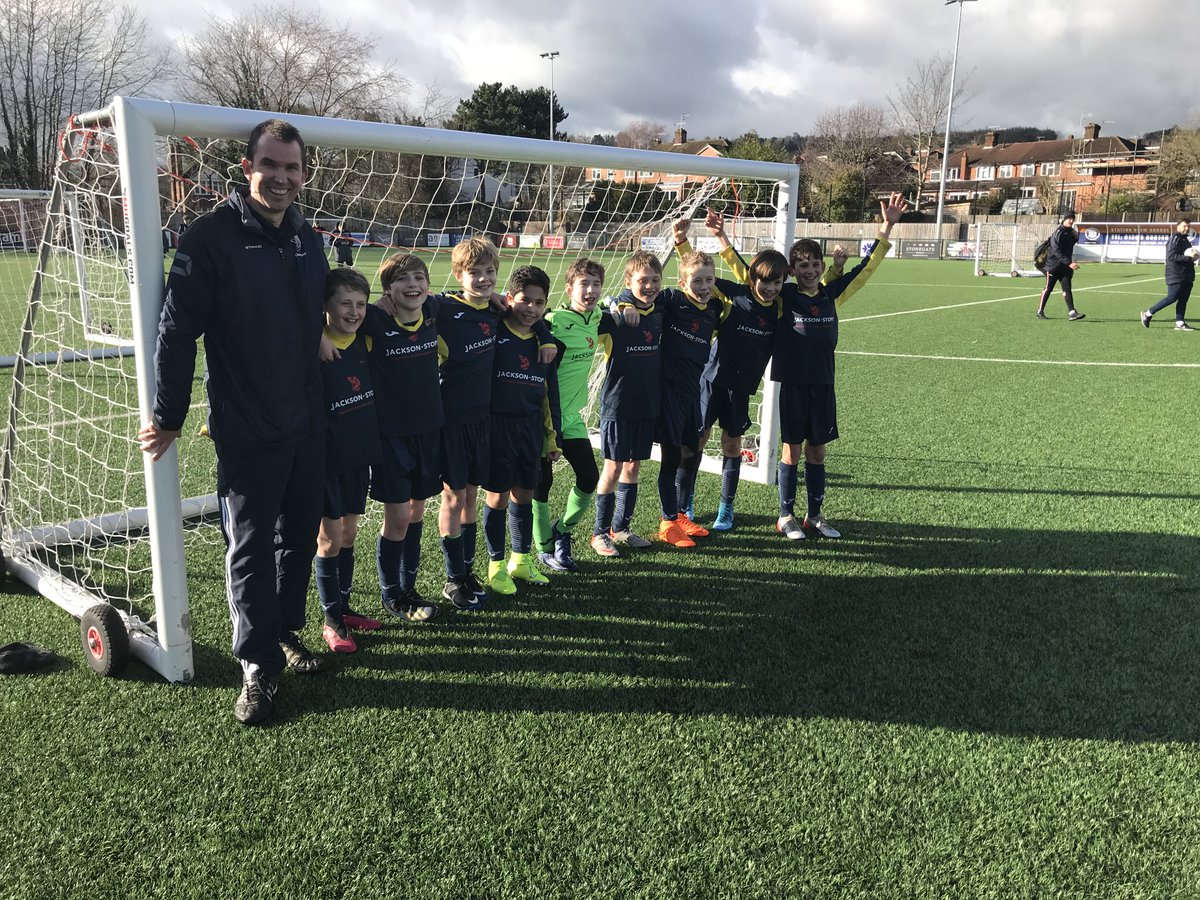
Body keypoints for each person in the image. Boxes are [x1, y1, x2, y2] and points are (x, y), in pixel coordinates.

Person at [137, 119, 329, 726]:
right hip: (249, 429)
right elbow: (175, 332)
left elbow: (321, 312)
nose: (280, 178)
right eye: (269, 165)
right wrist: (168, 414)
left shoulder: (307, 238)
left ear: (303, 174)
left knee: (298, 539)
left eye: (291, 168)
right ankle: (255, 665)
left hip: (309, 421)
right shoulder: (209, 239)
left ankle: (285, 633)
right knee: (248, 546)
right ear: (247, 168)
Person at [768, 191, 907, 542]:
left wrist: (886, 227)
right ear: (792, 271)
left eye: (816, 264)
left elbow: (866, 269)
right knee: (792, 450)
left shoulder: (832, 294)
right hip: (794, 384)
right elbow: (751, 277)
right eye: (803, 266)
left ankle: (814, 516)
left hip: (823, 384)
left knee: (818, 451)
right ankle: (785, 516)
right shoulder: (784, 298)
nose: (811, 270)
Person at [433, 237, 555, 610]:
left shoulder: (495, 312)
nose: (483, 279)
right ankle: (454, 579)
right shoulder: (441, 306)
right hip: (451, 422)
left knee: (470, 496)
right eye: (475, 272)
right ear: (458, 274)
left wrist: (547, 335)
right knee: (453, 499)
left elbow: (533, 321)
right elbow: (404, 307)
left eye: (489, 272)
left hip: (482, 424)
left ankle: (467, 571)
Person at [674, 209, 790, 531]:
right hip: (711, 380)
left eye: (775, 283)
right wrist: (683, 242)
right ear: (753, 279)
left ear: (783, 283)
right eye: (762, 281)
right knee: (696, 440)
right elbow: (697, 274)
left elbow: (817, 291)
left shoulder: (781, 308)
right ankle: (686, 503)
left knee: (731, 446)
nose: (767, 288)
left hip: (741, 388)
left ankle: (726, 508)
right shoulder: (736, 294)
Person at [364, 253, 444, 622]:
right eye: (402, 280)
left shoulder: (433, 312)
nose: (413, 285)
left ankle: (409, 587)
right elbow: (330, 314)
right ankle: (391, 593)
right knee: (396, 518)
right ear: (388, 289)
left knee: (415, 513)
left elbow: (473, 300)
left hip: (429, 430)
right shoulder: (373, 319)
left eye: (419, 278)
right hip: (390, 436)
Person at [313, 267, 384, 654]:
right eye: (345, 303)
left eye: (360, 303)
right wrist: (313, 335)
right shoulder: (311, 343)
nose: (354, 311)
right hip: (327, 460)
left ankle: (344, 606)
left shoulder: (365, 340)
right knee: (329, 538)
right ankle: (332, 620)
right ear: (325, 306)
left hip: (360, 455)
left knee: (350, 535)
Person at [650, 221, 732, 549]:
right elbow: (641, 296)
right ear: (683, 281)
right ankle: (667, 521)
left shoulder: (714, 309)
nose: (703, 285)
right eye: (696, 280)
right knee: (671, 457)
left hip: (691, 391)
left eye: (709, 280)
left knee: (691, 454)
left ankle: (682, 514)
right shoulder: (671, 299)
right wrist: (625, 303)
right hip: (666, 390)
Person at [482, 266, 560, 594]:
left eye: (539, 303)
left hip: (530, 427)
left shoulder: (547, 345)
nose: (531, 308)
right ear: (509, 297)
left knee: (525, 494)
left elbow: (546, 393)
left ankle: (520, 560)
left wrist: (551, 437)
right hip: (497, 425)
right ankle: (495, 565)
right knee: (498, 496)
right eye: (524, 300)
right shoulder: (493, 329)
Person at [532, 258, 608, 573]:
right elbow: (531, 322)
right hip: (543, 416)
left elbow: (622, 306)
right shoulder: (554, 320)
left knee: (589, 477)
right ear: (570, 288)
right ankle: (542, 547)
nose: (589, 291)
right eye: (583, 284)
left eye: (595, 284)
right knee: (542, 483)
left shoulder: (600, 317)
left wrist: (626, 305)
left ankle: (563, 530)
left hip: (573, 418)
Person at [591, 252, 665, 557]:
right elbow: (592, 310)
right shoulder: (616, 318)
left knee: (633, 467)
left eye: (655, 280)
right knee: (613, 467)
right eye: (642, 280)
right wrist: (618, 302)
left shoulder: (660, 313)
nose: (649, 286)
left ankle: (621, 529)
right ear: (629, 282)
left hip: (646, 404)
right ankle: (599, 533)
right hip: (618, 405)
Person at [1141, 218, 1198, 331]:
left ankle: (1180, 323)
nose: (1186, 228)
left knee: (1183, 299)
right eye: (1184, 226)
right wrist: (1189, 258)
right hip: (1176, 274)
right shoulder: (1175, 238)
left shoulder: (1185, 240)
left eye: (1188, 226)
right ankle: (1148, 314)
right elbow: (1171, 256)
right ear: (1178, 227)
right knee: (1172, 297)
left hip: (1187, 275)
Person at [1036, 212, 1085, 321]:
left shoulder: (1071, 233)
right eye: (1069, 219)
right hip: (1053, 266)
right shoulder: (1058, 232)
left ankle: (1072, 312)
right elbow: (1056, 251)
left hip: (1065, 268)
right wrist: (1069, 263)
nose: (1071, 221)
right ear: (1064, 219)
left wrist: (1076, 235)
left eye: (1073, 219)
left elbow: (1072, 244)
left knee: (1067, 289)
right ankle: (1040, 311)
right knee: (1048, 288)